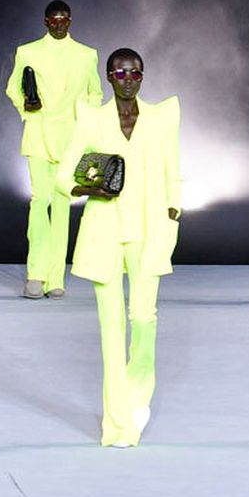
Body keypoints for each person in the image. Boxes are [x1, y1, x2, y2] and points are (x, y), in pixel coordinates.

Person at [55, 48, 181, 448]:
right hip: (104, 231)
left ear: (143, 76)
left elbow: (172, 171)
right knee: (111, 333)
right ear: (108, 77)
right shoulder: (92, 118)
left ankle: (136, 405)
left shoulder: (161, 117)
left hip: (148, 231)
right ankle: (117, 425)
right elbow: (62, 174)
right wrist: (87, 187)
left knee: (144, 322)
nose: (128, 78)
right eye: (120, 72)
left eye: (135, 72)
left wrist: (172, 215)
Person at [6, 0, 102, 299]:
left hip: (71, 138)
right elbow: (13, 87)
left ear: (70, 20)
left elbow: (95, 91)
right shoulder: (28, 52)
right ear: (45, 21)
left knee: (61, 206)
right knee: (39, 201)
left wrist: (85, 122)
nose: (59, 22)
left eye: (64, 18)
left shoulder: (87, 55)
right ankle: (36, 274)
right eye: (54, 18)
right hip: (38, 132)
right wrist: (27, 105)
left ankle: (55, 277)